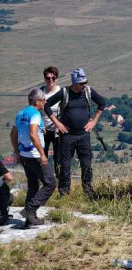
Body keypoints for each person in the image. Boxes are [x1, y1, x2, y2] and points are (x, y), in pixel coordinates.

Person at [45, 68, 107, 198]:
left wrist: (94, 121)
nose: (84, 85)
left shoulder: (88, 91)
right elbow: (46, 105)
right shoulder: (64, 92)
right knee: (65, 165)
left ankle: (88, 192)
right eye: (81, 83)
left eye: (85, 82)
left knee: (86, 164)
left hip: (83, 135)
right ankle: (64, 194)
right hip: (67, 136)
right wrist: (57, 123)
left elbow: (102, 103)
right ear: (74, 83)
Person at [11, 89, 56, 228]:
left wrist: (17, 152)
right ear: (36, 101)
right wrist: (42, 154)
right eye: (43, 100)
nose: (45, 102)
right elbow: (32, 134)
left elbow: (13, 134)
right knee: (50, 183)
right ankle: (30, 209)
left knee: (33, 185)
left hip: (24, 155)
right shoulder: (35, 114)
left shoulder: (20, 113)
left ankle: (29, 220)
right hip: (35, 156)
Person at [40, 66, 62, 174]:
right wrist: (40, 125)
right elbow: (34, 111)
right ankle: (45, 180)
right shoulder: (40, 93)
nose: (50, 80)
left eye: (53, 78)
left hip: (57, 130)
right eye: (48, 78)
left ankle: (59, 180)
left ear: (57, 78)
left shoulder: (61, 92)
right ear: (44, 78)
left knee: (58, 156)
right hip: (43, 129)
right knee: (43, 156)